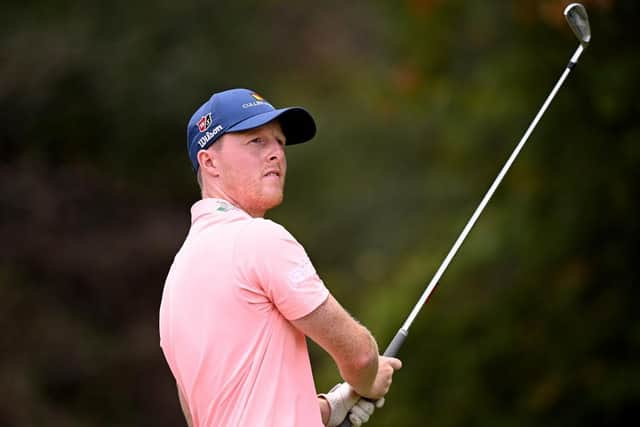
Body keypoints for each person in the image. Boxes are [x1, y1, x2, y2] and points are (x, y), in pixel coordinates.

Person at [159, 88, 402, 427]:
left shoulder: (176, 280)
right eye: (256, 141)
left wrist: (332, 406)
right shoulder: (259, 239)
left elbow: (225, 411)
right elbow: (360, 358)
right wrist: (369, 380)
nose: (276, 153)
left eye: (279, 142)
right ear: (209, 161)